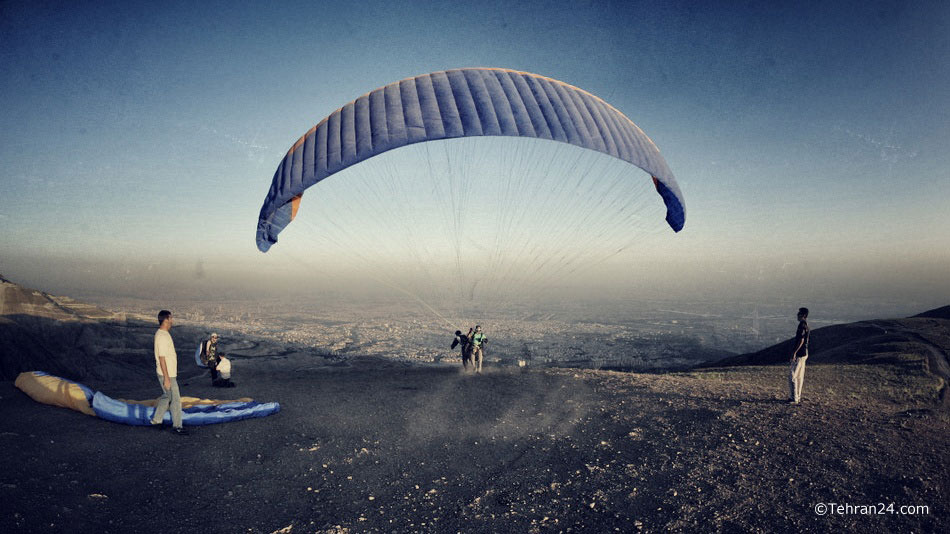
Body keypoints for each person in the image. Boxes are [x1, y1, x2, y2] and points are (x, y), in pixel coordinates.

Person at [150, 310, 186, 434]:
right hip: (167, 375)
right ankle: (177, 427)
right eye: (171, 318)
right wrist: (166, 378)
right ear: (166, 320)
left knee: (167, 397)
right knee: (175, 400)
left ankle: (156, 420)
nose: (172, 321)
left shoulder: (163, 334)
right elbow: (162, 358)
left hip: (169, 374)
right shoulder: (162, 336)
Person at [789, 307, 810, 404]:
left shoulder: (801, 325)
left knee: (793, 376)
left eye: (799, 313)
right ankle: (798, 396)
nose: (797, 315)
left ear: (803, 315)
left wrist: (794, 352)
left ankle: (794, 398)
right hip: (804, 353)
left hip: (800, 354)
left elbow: (801, 339)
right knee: (800, 376)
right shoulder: (806, 325)